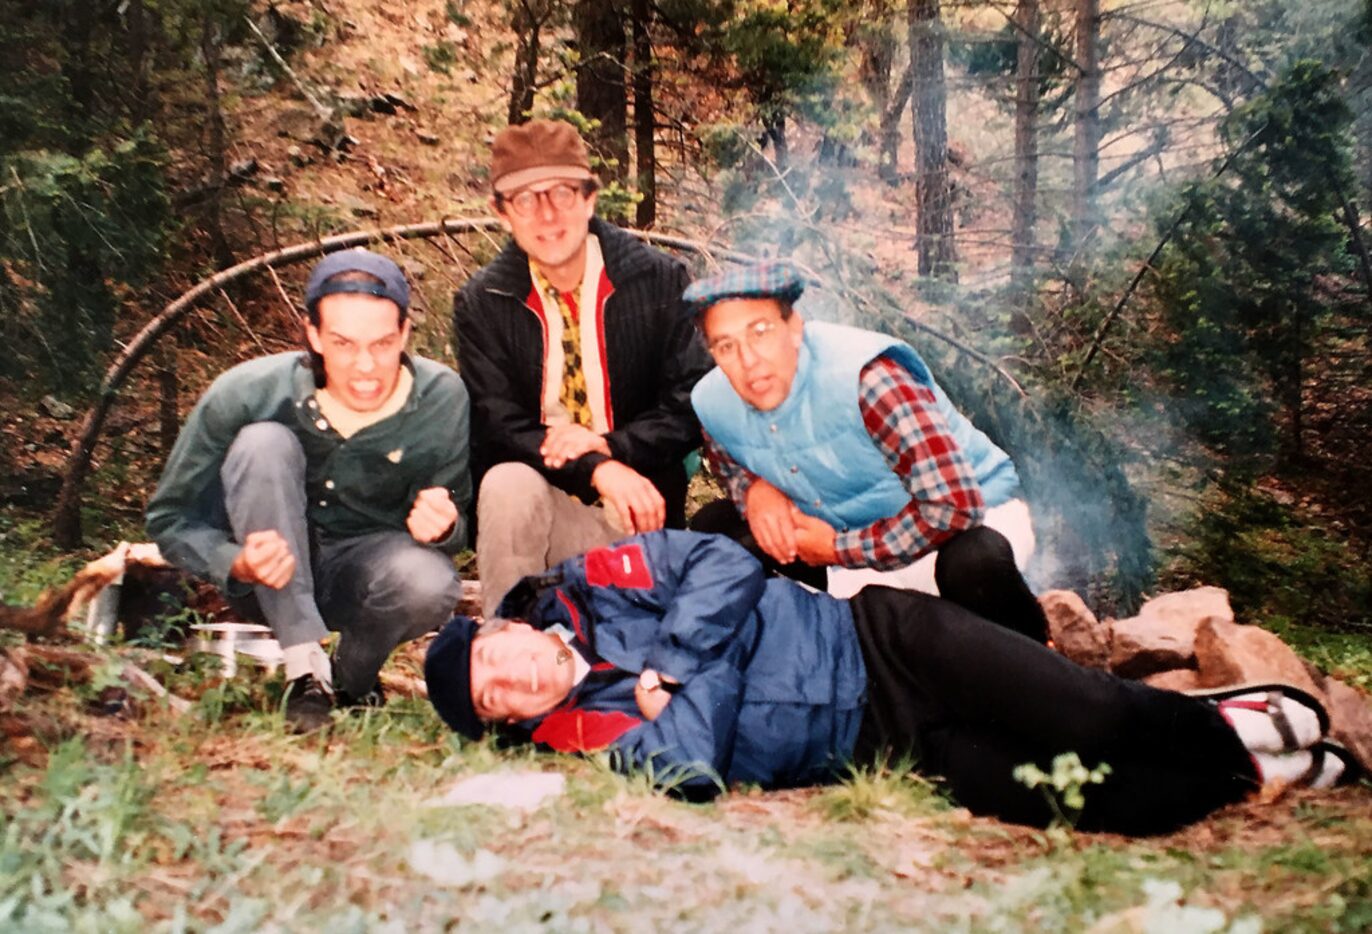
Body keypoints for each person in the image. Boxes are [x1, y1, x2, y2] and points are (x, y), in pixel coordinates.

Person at [424, 530, 1356, 835]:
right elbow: (694, 764)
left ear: (505, 625)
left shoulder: (595, 578)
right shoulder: (578, 736)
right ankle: (1264, 774)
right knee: (1093, 804)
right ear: (511, 722)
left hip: (888, 643)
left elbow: (723, 563)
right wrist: (713, 656)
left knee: (1093, 711)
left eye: (491, 659)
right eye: (495, 699)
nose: (509, 680)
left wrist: (671, 665)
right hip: (894, 747)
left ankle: (1235, 718)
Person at [147, 249, 471, 732]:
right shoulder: (245, 392)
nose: (365, 366)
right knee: (263, 443)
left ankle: (349, 679)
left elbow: (459, 525)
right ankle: (304, 668)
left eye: (383, 343)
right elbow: (169, 519)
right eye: (343, 343)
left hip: (362, 579)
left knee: (430, 582)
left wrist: (444, 525)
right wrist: (233, 560)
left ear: (405, 333)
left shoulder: (442, 398)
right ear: (313, 335)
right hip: (266, 578)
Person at [684, 261, 1048, 641]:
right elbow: (728, 462)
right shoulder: (713, 401)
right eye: (726, 345)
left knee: (974, 561)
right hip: (844, 540)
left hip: (966, 522)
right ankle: (809, 654)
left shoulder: (869, 380)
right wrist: (755, 490)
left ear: (794, 328)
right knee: (717, 525)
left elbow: (954, 506)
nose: (748, 360)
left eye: (760, 332)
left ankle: (1038, 651)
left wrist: (838, 549)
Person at [453, 119, 711, 619]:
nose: (547, 215)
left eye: (563, 194)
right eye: (525, 199)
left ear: (591, 199)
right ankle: (506, 643)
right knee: (506, 481)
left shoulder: (657, 279)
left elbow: (691, 402)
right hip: (534, 519)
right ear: (502, 214)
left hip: (637, 516)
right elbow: (499, 427)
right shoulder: (483, 302)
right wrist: (598, 468)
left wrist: (616, 447)